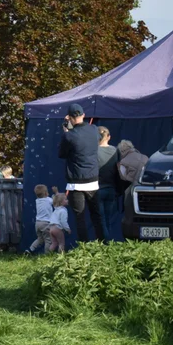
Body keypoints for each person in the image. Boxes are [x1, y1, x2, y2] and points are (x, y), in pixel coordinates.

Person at [58, 103, 105, 243]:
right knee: (97, 216)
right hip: (93, 180)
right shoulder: (94, 130)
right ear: (83, 115)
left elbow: (61, 154)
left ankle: (84, 248)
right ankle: (103, 245)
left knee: (80, 218)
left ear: (70, 118)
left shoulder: (69, 136)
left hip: (76, 183)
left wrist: (66, 132)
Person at [97, 126, 124, 242]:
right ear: (108, 137)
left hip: (97, 189)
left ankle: (105, 244)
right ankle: (109, 243)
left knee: (101, 220)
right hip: (112, 189)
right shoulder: (115, 150)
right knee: (108, 219)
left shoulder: (93, 151)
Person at [26, 184, 53, 254]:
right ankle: (47, 254)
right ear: (46, 193)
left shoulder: (37, 201)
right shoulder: (49, 200)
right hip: (46, 223)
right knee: (48, 240)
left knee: (40, 239)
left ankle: (30, 249)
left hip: (38, 223)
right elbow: (55, 201)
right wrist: (56, 193)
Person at [48, 188, 71, 253]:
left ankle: (48, 254)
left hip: (51, 228)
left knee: (54, 243)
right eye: (66, 199)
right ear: (61, 202)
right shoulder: (63, 211)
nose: (67, 200)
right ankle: (61, 255)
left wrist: (56, 193)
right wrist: (67, 229)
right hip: (57, 228)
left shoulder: (56, 209)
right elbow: (63, 221)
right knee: (61, 243)